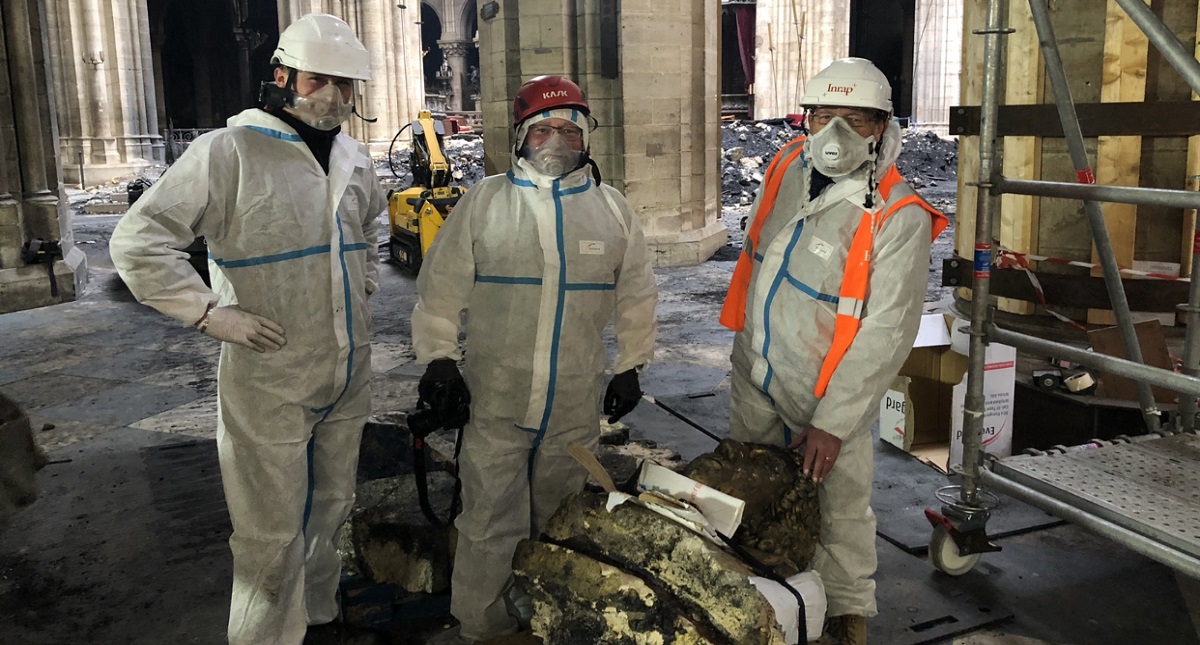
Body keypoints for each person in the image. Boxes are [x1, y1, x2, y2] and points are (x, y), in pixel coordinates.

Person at [109, 13, 386, 645]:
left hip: (349, 367)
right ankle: (266, 637)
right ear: (283, 76)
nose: (335, 98)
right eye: (321, 80)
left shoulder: (353, 157)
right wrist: (209, 313)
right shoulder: (226, 152)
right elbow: (139, 241)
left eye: (347, 86)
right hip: (270, 373)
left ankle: (319, 613)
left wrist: (363, 282)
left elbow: (369, 231)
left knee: (333, 504)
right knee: (269, 527)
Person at [411, 75, 658, 644]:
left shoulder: (611, 210)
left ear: (587, 137)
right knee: (488, 520)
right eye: (542, 129)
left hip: (573, 398)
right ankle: (484, 627)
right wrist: (440, 359)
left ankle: (551, 624)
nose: (556, 141)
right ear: (520, 136)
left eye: (568, 130)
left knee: (562, 517)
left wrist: (631, 363)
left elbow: (638, 293)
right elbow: (439, 290)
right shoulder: (486, 202)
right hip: (495, 397)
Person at [720, 58, 948, 645]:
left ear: (882, 126)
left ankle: (845, 624)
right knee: (749, 494)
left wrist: (833, 423)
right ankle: (760, 606)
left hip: (825, 392)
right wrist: (745, 353)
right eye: (824, 115)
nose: (836, 134)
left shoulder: (897, 217)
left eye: (857, 119)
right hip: (758, 369)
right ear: (805, 118)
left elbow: (886, 334)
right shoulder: (788, 166)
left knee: (840, 517)